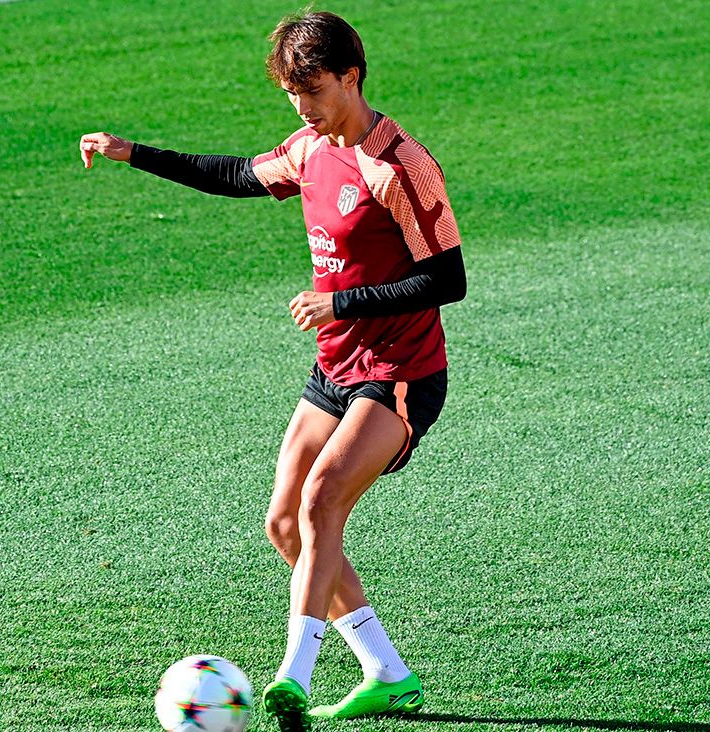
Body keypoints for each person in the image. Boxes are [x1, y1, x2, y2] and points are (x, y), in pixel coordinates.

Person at [79, 10, 465, 731]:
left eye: (313, 90)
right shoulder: (310, 149)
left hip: (403, 369)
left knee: (323, 500)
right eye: (292, 93)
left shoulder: (401, 166)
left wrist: (339, 300)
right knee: (286, 523)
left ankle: (294, 674)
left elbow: (448, 280)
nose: (302, 108)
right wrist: (133, 152)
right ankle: (388, 672)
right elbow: (234, 175)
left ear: (351, 77)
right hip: (337, 365)